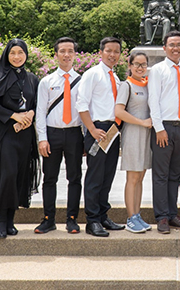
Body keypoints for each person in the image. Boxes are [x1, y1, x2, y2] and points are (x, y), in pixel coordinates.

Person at [0, 38, 40, 239]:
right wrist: (14, 115)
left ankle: (11, 221)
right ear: (7, 56)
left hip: (25, 134)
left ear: (26, 55)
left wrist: (30, 114)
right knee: (7, 175)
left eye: (20, 53)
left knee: (18, 175)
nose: (17, 57)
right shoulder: (0, 76)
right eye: (13, 53)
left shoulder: (32, 79)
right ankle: (1, 221)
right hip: (6, 133)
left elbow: (36, 103)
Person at [35, 37, 84, 235]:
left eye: (70, 51)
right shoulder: (47, 81)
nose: (66, 55)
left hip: (74, 133)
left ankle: (72, 219)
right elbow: (40, 111)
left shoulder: (82, 81)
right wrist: (42, 138)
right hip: (52, 134)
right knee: (50, 178)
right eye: (62, 51)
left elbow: (86, 111)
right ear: (55, 55)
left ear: (75, 55)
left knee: (75, 178)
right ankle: (48, 219)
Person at [78, 37, 125, 237]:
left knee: (108, 176)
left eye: (116, 51)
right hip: (98, 130)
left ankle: (104, 216)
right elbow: (81, 104)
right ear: (101, 52)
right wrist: (92, 129)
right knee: (95, 177)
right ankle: (92, 220)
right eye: (109, 50)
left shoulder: (115, 77)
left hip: (113, 131)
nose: (112, 54)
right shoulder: (92, 74)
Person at [148, 30, 180, 233]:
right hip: (164, 128)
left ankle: (172, 214)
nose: (175, 48)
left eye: (179, 44)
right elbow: (153, 100)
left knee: (176, 174)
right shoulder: (157, 70)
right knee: (161, 174)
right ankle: (162, 217)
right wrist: (159, 128)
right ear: (164, 48)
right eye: (172, 44)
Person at [114, 51, 153, 233]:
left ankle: (137, 215)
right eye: (136, 64)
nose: (140, 68)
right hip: (133, 134)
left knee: (141, 177)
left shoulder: (147, 85)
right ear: (129, 66)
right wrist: (142, 122)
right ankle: (130, 218)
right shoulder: (126, 85)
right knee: (132, 178)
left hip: (146, 136)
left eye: (143, 64)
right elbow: (119, 111)